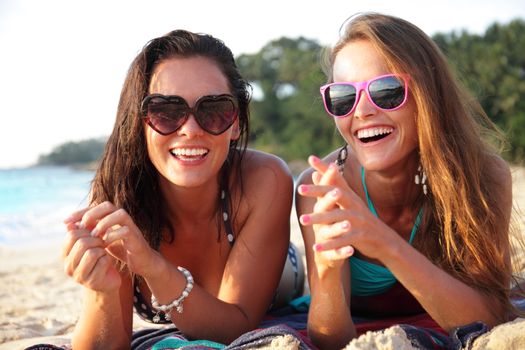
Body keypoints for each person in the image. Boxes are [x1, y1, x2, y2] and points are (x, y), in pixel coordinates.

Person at [295, 12, 524, 350]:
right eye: (343, 97)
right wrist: (327, 273)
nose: (361, 111)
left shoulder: (483, 176)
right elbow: (330, 340)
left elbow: (490, 317)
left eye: (386, 91)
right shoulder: (323, 189)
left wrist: (385, 244)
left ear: (429, 96)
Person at [62, 29, 294, 349]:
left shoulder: (265, 179)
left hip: (283, 280)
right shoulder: (119, 197)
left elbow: (237, 328)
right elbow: (106, 344)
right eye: (166, 111)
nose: (190, 130)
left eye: (213, 109)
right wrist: (102, 294)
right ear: (140, 121)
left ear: (237, 121)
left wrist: (152, 266)